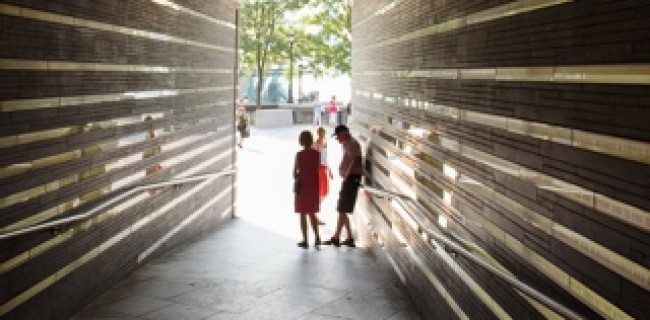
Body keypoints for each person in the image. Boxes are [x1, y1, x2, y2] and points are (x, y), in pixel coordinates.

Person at [323, 125, 363, 247]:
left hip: (351, 179)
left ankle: (337, 237)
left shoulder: (351, 143)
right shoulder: (347, 143)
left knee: (341, 208)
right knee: (342, 208)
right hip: (349, 178)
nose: (337, 139)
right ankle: (349, 237)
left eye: (337, 136)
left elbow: (356, 159)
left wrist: (347, 175)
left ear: (344, 133)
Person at [293, 130, 321, 248]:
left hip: (302, 186)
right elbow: (318, 168)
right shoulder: (317, 154)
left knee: (303, 213)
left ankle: (305, 239)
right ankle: (317, 237)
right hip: (313, 185)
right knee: (312, 213)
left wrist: (300, 174)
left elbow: (294, 173)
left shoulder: (299, 155)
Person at [313, 126, 333, 225]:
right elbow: (313, 158)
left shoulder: (325, 143)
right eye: (320, 133)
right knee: (320, 193)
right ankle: (314, 215)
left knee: (325, 192)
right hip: (318, 169)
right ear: (317, 133)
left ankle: (314, 212)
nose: (322, 134)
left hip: (324, 168)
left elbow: (325, 158)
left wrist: (329, 170)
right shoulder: (315, 144)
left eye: (323, 133)